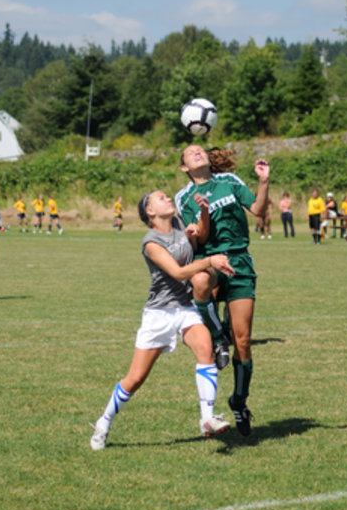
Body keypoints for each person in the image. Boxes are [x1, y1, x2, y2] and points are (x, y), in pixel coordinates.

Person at [90, 189, 235, 451]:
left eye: (167, 196)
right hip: (159, 314)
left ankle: (207, 418)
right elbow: (178, 273)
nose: (168, 198)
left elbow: (198, 241)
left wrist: (200, 220)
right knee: (135, 379)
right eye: (161, 198)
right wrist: (209, 261)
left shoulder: (179, 224)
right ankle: (104, 422)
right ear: (150, 212)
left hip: (185, 307)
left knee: (205, 349)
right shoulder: (151, 243)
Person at [175, 145, 270, 436]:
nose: (198, 152)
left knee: (243, 341)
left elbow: (258, 210)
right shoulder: (184, 197)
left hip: (240, 260)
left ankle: (239, 401)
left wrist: (264, 181)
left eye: (200, 149)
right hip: (211, 259)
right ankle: (218, 337)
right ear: (184, 167)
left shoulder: (230, 181)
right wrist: (202, 216)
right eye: (191, 152)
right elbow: (200, 238)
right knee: (200, 282)